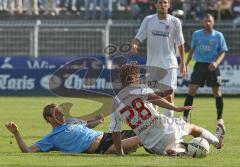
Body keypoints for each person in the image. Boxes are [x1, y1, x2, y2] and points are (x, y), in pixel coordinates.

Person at [109, 62, 224, 156]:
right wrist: (175, 107)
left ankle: (176, 151)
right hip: (166, 128)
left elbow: (115, 132)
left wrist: (120, 153)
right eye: (138, 76)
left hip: (151, 145)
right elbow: (153, 98)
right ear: (133, 78)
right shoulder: (139, 89)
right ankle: (217, 142)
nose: (139, 79)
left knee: (174, 146)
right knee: (192, 128)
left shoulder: (115, 103)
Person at [5, 103, 140, 154]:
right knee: (144, 138)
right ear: (49, 119)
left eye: (61, 111)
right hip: (103, 146)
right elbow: (27, 150)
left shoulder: (71, 122)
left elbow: (86, 124)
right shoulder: (52, 139)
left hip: (109, 135)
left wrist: (97, 121)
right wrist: (16, 133)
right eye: (56, 113)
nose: (61, 114)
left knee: (146, 132)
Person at [131, 0, 187, 118]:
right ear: (155, 5)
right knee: (153, 95)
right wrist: (135, 44)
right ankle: (155, 122)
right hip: (152, 65)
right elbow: (138, 37)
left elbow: (180, 43)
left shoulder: (175, 21)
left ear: (169, 5)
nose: (163, 5)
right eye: (160, 2)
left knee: (169, 93)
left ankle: (169, 123)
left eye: (165, 2)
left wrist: (183, 63)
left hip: (169, 63)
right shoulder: (148, 20)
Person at [183, 14, 228, 130]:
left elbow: (223, 52)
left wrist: (216, 63)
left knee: (217, 93)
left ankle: (220, 119)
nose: (207, 23)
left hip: (213, 66)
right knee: (191, 91)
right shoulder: (197, 34)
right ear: (203, 22)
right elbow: (191, 50)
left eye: (210, 21)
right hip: (200, 66)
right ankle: (184, 118)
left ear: (213, 22)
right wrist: (186, 64)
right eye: (206, 21)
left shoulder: (219, 35)